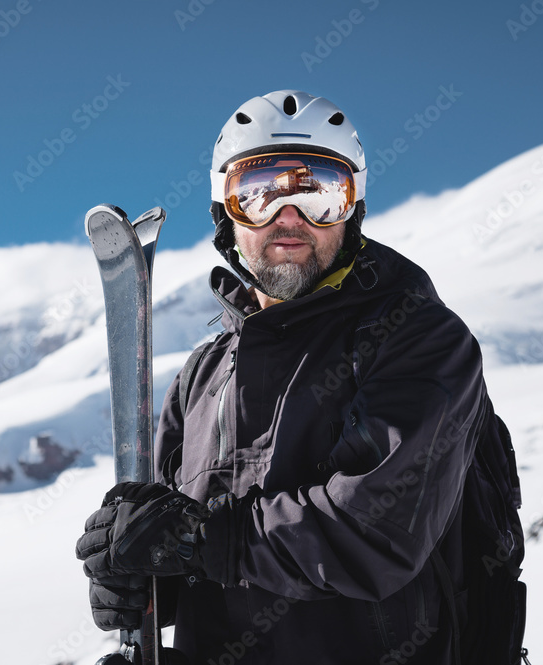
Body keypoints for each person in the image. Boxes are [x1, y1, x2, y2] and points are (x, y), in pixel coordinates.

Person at [76, 90, 496, 665]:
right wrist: (133, 572)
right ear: (226, 214)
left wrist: (201, 539)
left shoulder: (418, 339)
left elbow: (377, 533)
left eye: (322, 192)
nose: (290, 216)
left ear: (353, 212)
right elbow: (188, 563)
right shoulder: (201, 377)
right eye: (260, 192)